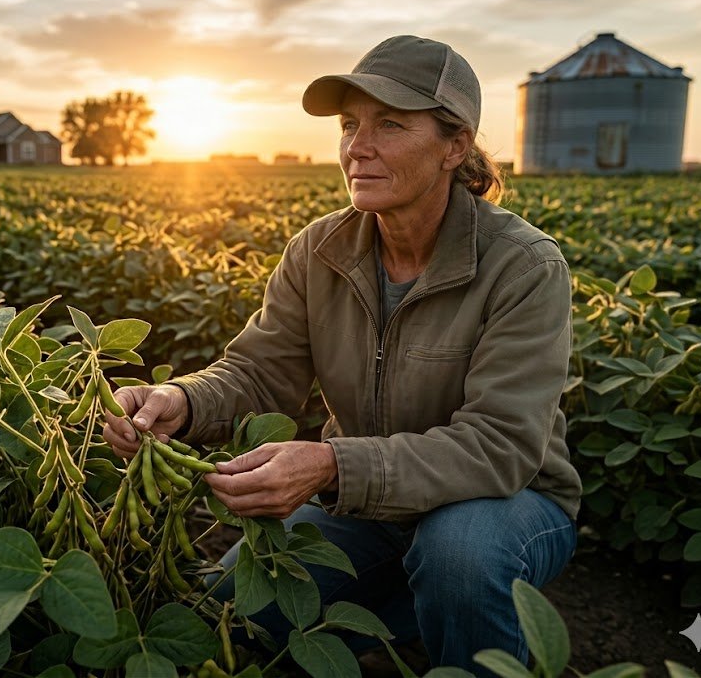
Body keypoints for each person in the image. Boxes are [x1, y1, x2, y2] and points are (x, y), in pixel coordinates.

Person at [104, 35, 582, 675]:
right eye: (350, 125)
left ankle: (447, 608)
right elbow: (259, 371)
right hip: (369, 501)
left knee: (458, 554)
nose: (358, 147)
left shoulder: (523, 265)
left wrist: (331, 466)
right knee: (221, 614)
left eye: (389, 124)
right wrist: (181, 400)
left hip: (508, 501)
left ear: (455, 146)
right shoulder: (320, 250)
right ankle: (409, 604)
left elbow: (500, 445)